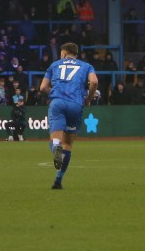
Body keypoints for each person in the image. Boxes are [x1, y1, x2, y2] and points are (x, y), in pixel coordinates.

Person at [39, 42, 98, 189]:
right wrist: (89, 98)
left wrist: (53, 93)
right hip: (76, 105)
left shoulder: (55, 65)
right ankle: (58, 180)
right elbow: (94, 82)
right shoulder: (86, 66)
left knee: (56, 141)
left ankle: (56, 150)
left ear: (64, 54)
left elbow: (42, 87)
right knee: (68, 145)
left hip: (58, 103)